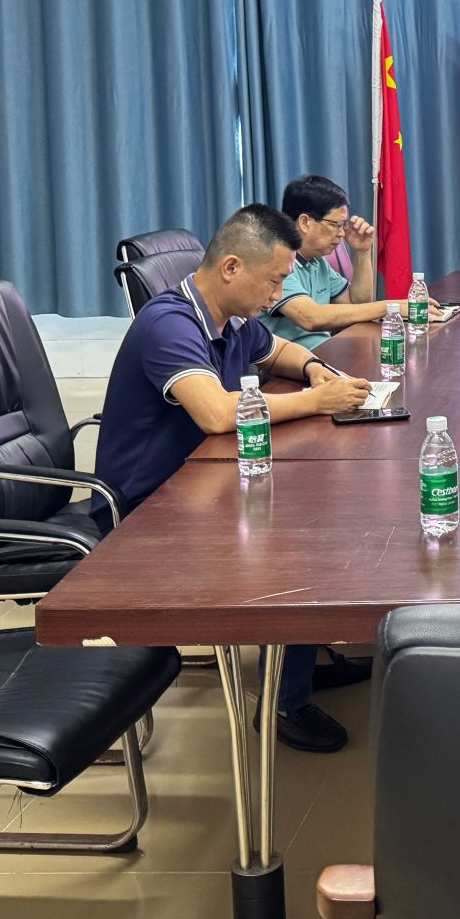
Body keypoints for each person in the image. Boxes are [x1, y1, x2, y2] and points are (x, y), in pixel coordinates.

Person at [96, 204, 373, 754]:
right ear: (230, 268)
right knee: (298, 539)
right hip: (148, 507)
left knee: (322, 502)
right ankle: (285, 702)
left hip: (203, 480)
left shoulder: (232, 317)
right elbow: (218, 415)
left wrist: (314, 369)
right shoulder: (169, 324)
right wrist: (317, 401)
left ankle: (306, 653)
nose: (277, 295)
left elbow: (278, 350)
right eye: (272, 281)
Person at [260, 174, 388, 351]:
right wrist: (390, 308)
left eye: (343, 225)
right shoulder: (276, 260)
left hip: (325, 353)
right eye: (336, 224)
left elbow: (357, 303)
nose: (342, 233)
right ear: (305, 222)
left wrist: (363, 251)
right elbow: (310, 318)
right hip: (288, 363)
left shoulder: (317, 262)